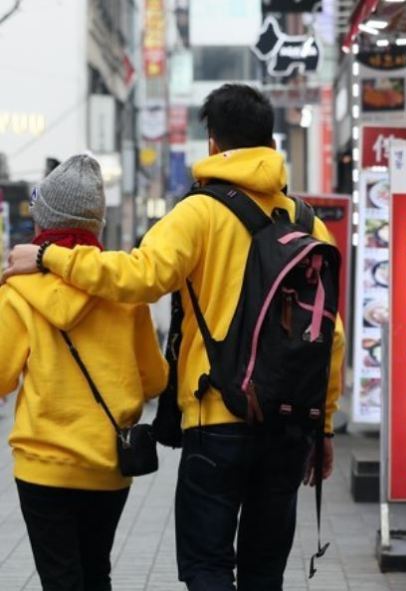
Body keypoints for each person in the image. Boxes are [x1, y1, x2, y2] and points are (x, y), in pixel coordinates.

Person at [4, 84, 346, 591]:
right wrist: (324, 427)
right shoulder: (308, 222)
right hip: (289, 426)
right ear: (269, 142)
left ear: (212, 143)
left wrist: (50, 258)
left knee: (207, 567)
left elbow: (139, 276)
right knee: (264, 571)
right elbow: (330, 337)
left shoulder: (200, 212)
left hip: (217, 418)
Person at [0, 154, 167, 591]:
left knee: (60, 578)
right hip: (109, 465)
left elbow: (1, 375)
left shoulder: (18, 291)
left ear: (42, 222)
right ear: (97, 224)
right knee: (97, 572)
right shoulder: (125, 294)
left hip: (42, 466)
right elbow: (153, 379)